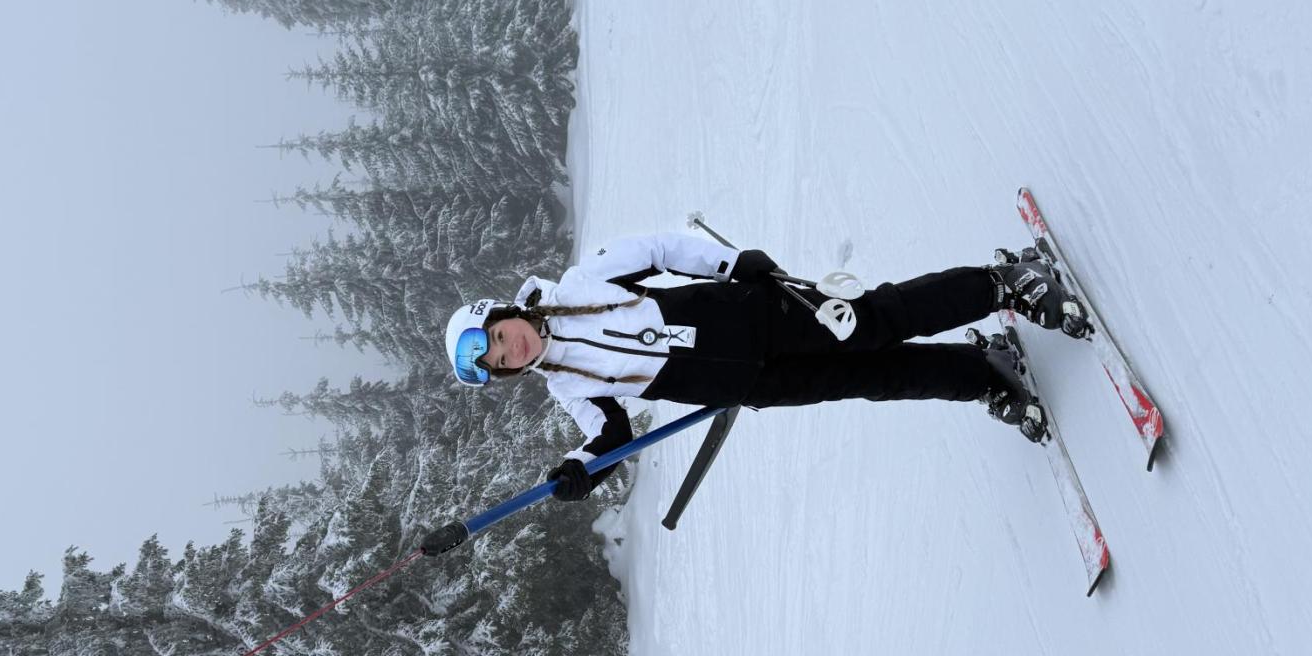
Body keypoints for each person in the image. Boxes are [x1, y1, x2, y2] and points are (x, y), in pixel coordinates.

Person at [442, 231, 1081, 501]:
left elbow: (660, 249)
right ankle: (983, 371)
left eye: (498, 336)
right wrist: (579, 470)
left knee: (877, 321)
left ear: (504, 312)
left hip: (753, 314)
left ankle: (1002, 283)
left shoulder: (583, 283)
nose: (509, 350)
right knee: (875, 377)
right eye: (497, 361)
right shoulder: (567, 386)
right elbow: (610, 435)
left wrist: (730, 264)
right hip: (750, 382)